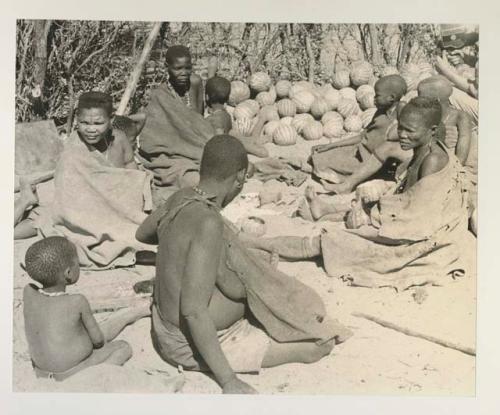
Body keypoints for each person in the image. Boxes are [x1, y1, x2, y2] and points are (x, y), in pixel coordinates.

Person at [136, 135, 350, 394]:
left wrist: (180, 248)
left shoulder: (181, 197)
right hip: (187, 344)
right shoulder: (208, 223)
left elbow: (143, 234)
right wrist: (228, 381)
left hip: (164, 323)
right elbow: (193, 311)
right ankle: (225, 363)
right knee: (318, 346)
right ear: (239, 178)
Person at [245, 97, 475, 290]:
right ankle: (260, 246)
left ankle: (254, 246)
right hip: (407, 223)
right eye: (400, 127)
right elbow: (411, 199)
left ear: (432, 131)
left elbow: (421, 220)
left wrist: (375, 219)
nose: (401, 135)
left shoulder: (433, 159)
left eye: (409, 131)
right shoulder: (421, 150)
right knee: (351, 222)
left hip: (421, 238)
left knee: (330, 242)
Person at [23, 236, 150, 381]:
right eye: (77, 263)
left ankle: (131, 314)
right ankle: (93, 376)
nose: (80, 265)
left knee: (85, 331)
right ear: (68, 273)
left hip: (41, 371)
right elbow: (98, 341)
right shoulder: (77, 301)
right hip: (72, 372)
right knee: (123, 347)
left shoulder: (28, 292)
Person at [310, 75, 410, 194]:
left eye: (377, 95)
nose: (374, 99)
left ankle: (348, 182)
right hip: (358, 150)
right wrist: (330, 145)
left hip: (371, 160)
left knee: (329, 163)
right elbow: (362, 136)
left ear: (391, 98)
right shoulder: (380, 111)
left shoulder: (402, 109)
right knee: (320, 156)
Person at [205, 75, 270, 158]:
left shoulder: (212, 120)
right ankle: (262, 120)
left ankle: (262, 121)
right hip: (232, 135)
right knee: (249, 140)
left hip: (230, 140)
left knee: (261, 151)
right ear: (228, 98)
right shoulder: (226, 114)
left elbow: (219, 141)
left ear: (207, 97)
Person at [417, 76, 472, 165]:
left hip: (449, 164)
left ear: (436, 100)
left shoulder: (460, 116)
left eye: (421, 97)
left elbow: (462, 150)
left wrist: (454, 169)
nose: (417, 100)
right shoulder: (423, 114)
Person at [75, 92, 137, 169]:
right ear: (77, 118)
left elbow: (130, 163)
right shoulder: (74, 146)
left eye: (98, 123)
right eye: (84, 123)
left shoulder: (119, 139)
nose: (91, 129)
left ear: (111, 119)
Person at [164, 45, 204, 115]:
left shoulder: (195, 82)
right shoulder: (161, 93)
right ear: (167, 66)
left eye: (188, 68)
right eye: (178, 68)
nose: (184, 73)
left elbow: (200, 118)